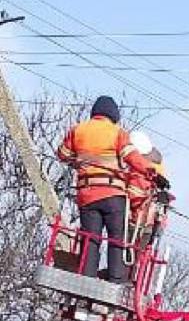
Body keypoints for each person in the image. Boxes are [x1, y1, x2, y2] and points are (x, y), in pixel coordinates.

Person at [57, 96, 159, 282]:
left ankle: (86, 280)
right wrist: (152, 172)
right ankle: (116, 280)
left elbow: (62, 154)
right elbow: (132, 157)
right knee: (116, 239)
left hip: (87, 196)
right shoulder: (117, 133)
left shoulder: (78, 130)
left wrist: (79, 159)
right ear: (114, 116)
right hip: (113, 195)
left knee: (90, 239)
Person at [126, 130, 170, 249]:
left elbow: (133, 197)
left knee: (123, 257)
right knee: (134, 259)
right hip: (149, 224)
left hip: (134, 223)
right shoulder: (158, 171)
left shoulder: (138, 174)